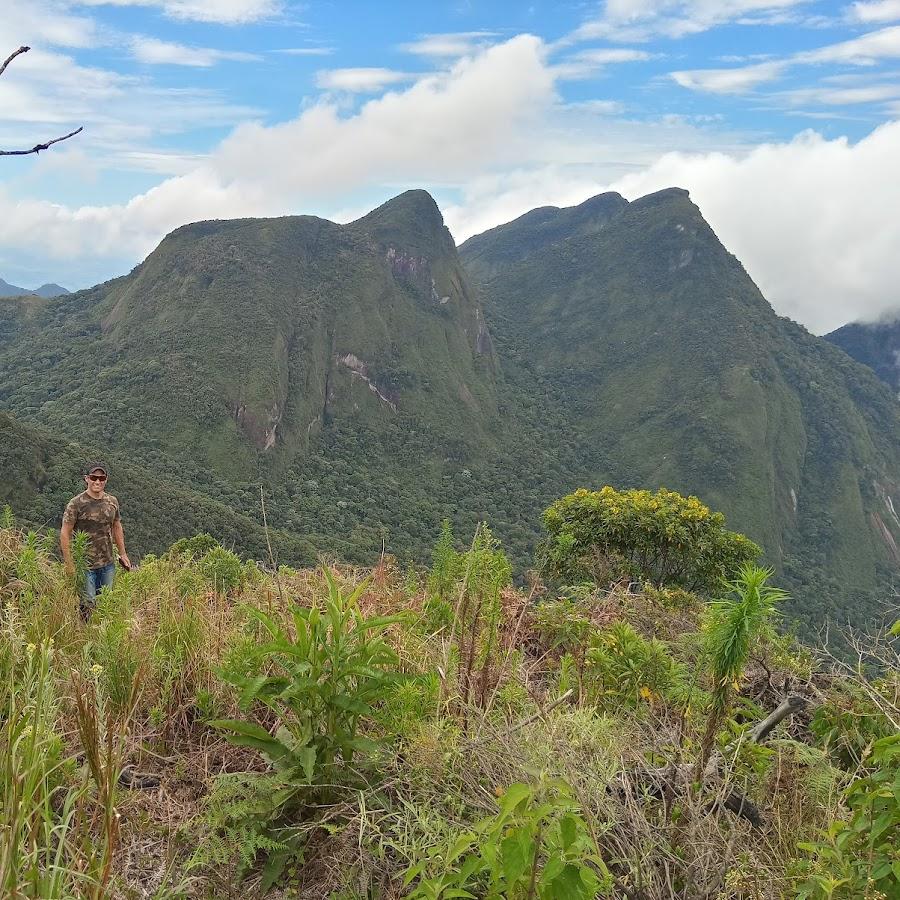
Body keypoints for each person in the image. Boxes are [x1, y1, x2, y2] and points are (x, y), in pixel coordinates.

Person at [60, 463, 131, 618]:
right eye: (94, 478)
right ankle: (85, 636)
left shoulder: (112, 501)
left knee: (106, 603)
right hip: (85, 564)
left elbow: (117, 526)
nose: (97, 482)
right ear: (87, 479)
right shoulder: (76, 503)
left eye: (101, 478)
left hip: (108, 563)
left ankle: (100, 633)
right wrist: (69, 564)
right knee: (88, 604)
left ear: (106, 480)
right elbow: (65, 533)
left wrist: (123, 553)